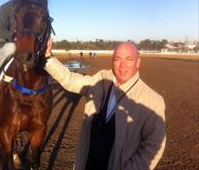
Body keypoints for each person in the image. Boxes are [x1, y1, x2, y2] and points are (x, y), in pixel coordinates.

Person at [44, 39, 166, 170]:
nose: (122, 65)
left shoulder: (153, 100)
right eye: (117, 59)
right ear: (112, 61)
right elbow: (70, 79)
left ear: (138, 62)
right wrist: (48, 57)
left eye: (129, 59)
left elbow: (153, 145)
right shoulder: (101, 79)